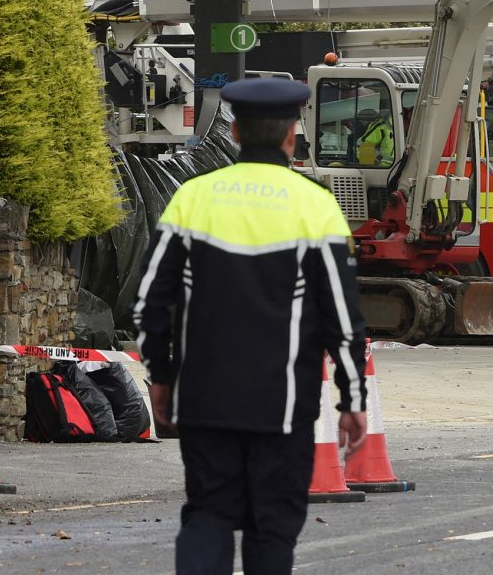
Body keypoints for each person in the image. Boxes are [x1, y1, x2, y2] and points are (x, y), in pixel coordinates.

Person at [134, 77, 369, 575]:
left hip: (204, 400)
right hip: (282, 407)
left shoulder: (192, 198)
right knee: (272, 530)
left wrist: (160, 375)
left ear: (235, 132)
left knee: (208, 515)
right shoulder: (316, 205)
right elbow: (343, 317)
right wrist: (353, 399)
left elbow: (151, 300)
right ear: (292, 135)